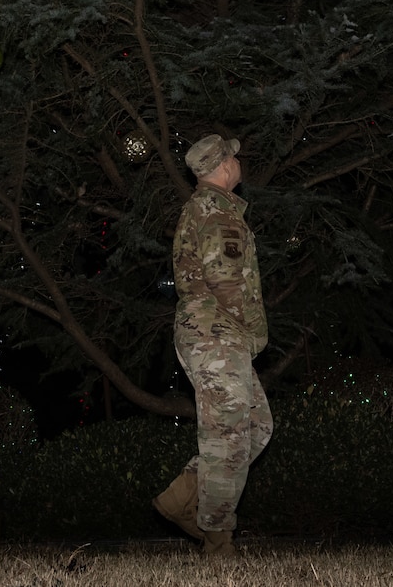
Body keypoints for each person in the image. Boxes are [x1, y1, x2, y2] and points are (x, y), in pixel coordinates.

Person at [152, 134, 271, 558]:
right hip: (217, 333)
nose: (239, 163)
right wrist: (246, 332)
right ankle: (218, 540)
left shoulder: (204, 208)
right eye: (234, 158)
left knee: (256, 427)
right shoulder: (217, 211)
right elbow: (224, 279)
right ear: (223, 167)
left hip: (212, 333)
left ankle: (184, 498)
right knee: (230, 436)